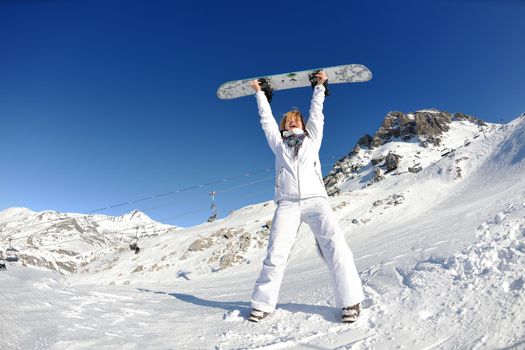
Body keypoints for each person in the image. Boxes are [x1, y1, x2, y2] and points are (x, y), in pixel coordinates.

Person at [248, 71, 364, 323]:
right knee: (275, 253)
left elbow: (316, 115)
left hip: (316, 200)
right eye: (288, 120)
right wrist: (260, 94)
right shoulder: (278, 144)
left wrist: (319, 88)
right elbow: (266, 120)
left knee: (335, 247)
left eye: (296, 120)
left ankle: (350, 302)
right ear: (283, 126)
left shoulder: (312, 140)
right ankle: (262, 304)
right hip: (287, 203)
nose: (292, 122)